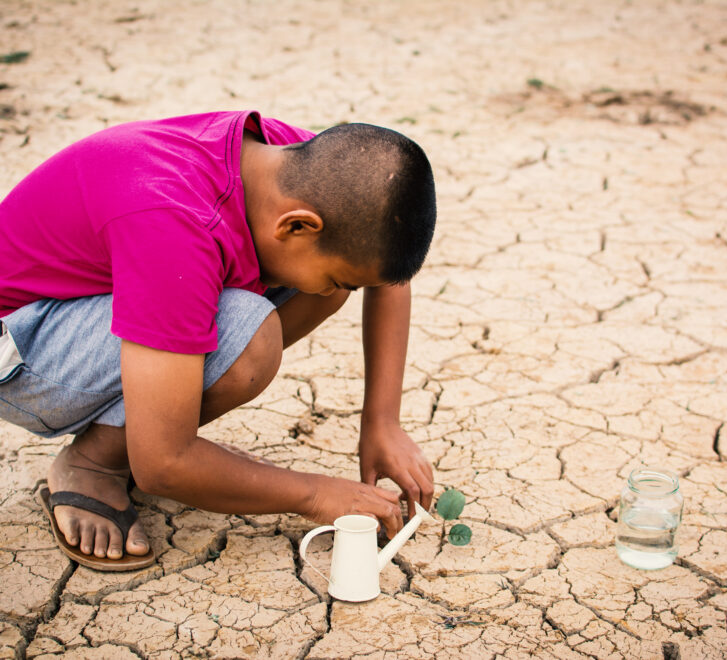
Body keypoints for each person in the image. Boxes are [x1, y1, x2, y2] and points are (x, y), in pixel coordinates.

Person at [0, 110, 436, 571]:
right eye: (338, 280)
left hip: (92, 295)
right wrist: (316, 494)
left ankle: (148, 423)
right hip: (22, 342)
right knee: (247, 335)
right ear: (296, 226)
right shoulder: (174, 228)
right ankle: (95, 465)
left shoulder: (296, 164)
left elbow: (381, 263)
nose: (336, 290)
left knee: (322, 289)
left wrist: (383, 420)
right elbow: (162, 465)